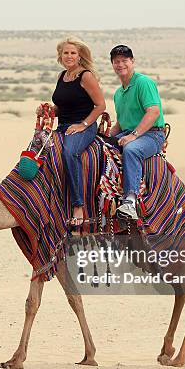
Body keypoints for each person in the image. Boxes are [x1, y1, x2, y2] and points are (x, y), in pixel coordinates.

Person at [49, 37, 106, 227]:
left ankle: (78, 206)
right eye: (66, 53)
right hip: (63, 126)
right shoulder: (62, 76)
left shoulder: (86, 76)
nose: (69, 56)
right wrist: (49, 110)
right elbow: (62, 107)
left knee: (69, 153)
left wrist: (83, 124)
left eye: (73, 53)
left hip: (85, 126)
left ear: (80, 56)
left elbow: (100, 105)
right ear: (60, 56)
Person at [108, 45, 166, 220]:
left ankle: (130, 202)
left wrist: (133, 136)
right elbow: (121, 122)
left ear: (132, 62)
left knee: (131, 150)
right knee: (98, 149)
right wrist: (105, 136)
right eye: (116, 61)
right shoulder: (118, 93)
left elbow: (153, 111)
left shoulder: (143, 83)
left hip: (152, 134)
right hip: (128, 132)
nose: (120, 64)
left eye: (124, 60)